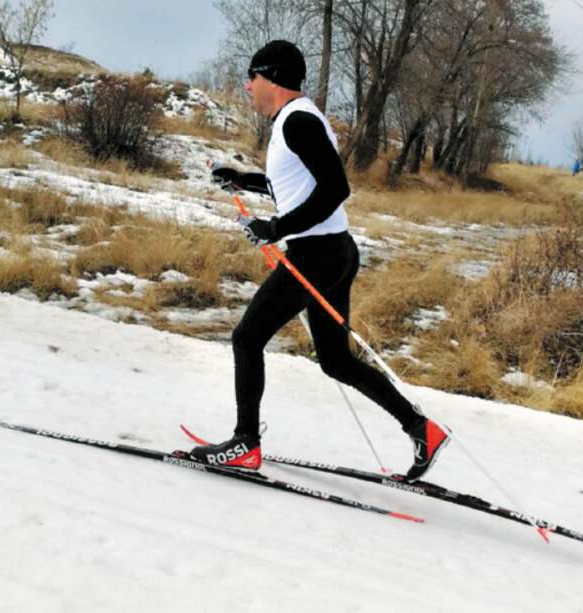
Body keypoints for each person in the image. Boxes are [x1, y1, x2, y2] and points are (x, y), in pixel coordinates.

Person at [190, 40, 449, 480]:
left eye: (251, 77)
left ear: (271, 77)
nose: (248, 86)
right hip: (334, 252)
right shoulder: (294, 121)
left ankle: (244, 444)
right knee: (336, 360)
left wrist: (276, 229)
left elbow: (335, 189)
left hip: (318, 256)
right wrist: (243, 180)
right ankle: (421, 429)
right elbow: (298, 186)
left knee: (247, 338)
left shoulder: (298, 122)